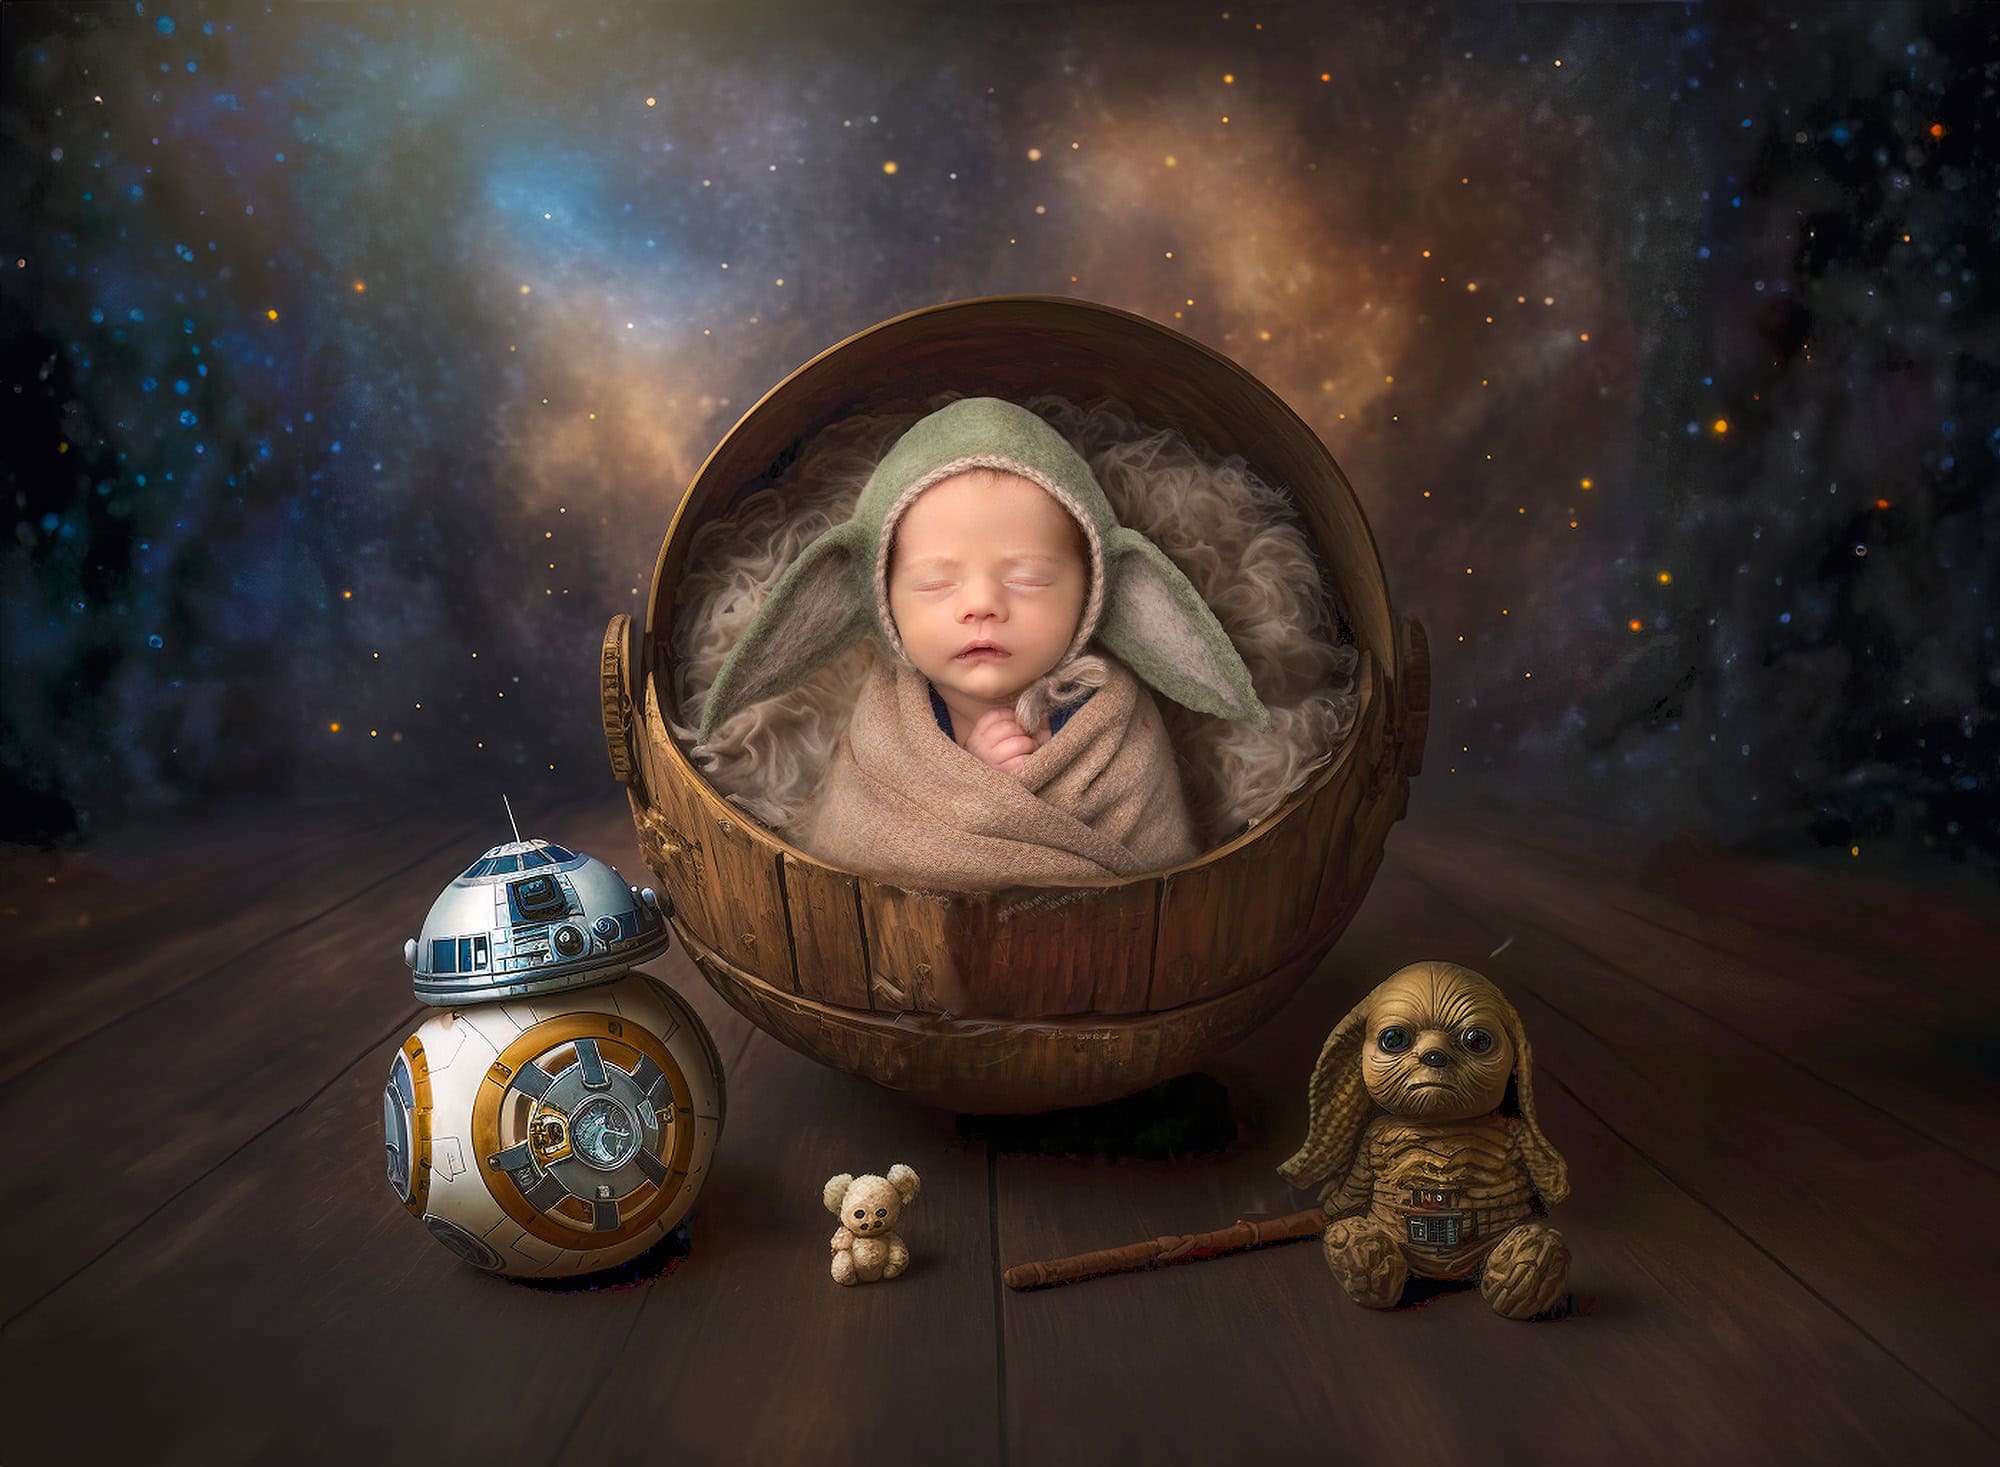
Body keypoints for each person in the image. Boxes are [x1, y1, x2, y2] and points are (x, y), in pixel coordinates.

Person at [696, 396, 1271, 887]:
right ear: (878, 600)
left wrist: (1037, 776)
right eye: (935, 583)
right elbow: (859, 854)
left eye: (1028, 578)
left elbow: (1157, 873)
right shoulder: (884, 733)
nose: (981, 605)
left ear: (1096, 589)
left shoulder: (1119, 725)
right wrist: (976, 781)